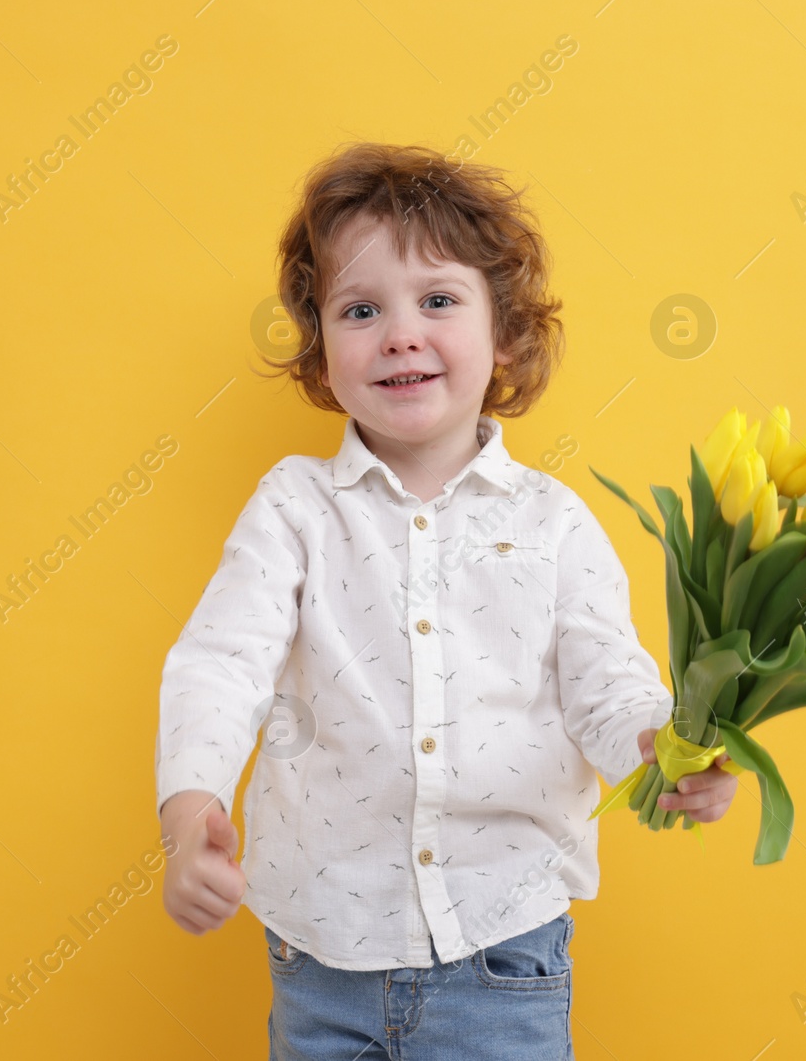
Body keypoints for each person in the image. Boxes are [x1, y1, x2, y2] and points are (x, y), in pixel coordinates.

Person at [154, 141, 737, 1060]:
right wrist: (190, 817)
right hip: (321, 955)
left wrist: (664, 754)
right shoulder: (295, 507)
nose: (399, 333)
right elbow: (221, 664)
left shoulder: (554, 521)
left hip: (504, 958)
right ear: (321, 347)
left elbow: (608, 681)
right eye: (359, 309)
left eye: (437, 300)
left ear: (503, 330)